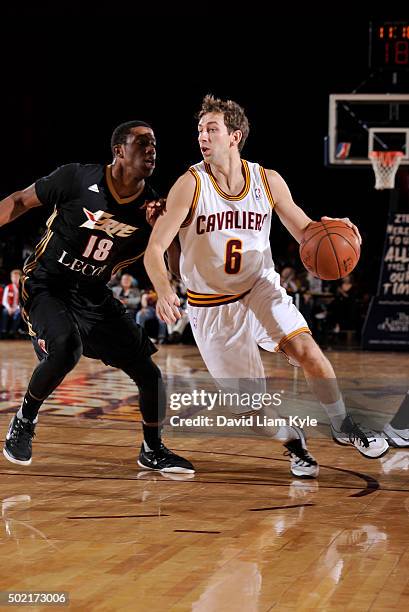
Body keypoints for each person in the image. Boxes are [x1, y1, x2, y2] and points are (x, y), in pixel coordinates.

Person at [144, 95, 388, 478]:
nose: (202, 137)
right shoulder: (189, 186)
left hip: (260, 286)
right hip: (211, 306)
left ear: (234, 136)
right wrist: (163, 288)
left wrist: (335, 227)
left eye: (212, 130)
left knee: (307, 349)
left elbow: (306, 230)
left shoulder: (267, 180)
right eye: (199, 131)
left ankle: (344, 425)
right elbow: (154, 249)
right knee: (252, 409)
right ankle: (293, 441)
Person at [0, 120, 194, 474]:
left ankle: (152, 449)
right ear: (119, 150)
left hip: (91, 293)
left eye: (155, 145)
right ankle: (24, 420)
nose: (152, 150)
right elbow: (18, 201)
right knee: (66, 347)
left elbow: (177, 269)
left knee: (149, 374)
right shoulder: (76, 178)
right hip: (47, 283)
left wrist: (173, 229)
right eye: (143, 143)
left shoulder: (152, 208)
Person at [1, 269, 23, 338]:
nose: (15, 279)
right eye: (14, 277)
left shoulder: (22, 288)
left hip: (18, 308)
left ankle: (13, 331)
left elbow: (22, 301)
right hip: (9, 308)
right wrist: (9, 308)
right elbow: (4, 301)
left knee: (19, 313)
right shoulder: (8, 287)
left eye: (17, 277)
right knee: (4, 312)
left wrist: (16, 309)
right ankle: (3, 331)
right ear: (11, 278)